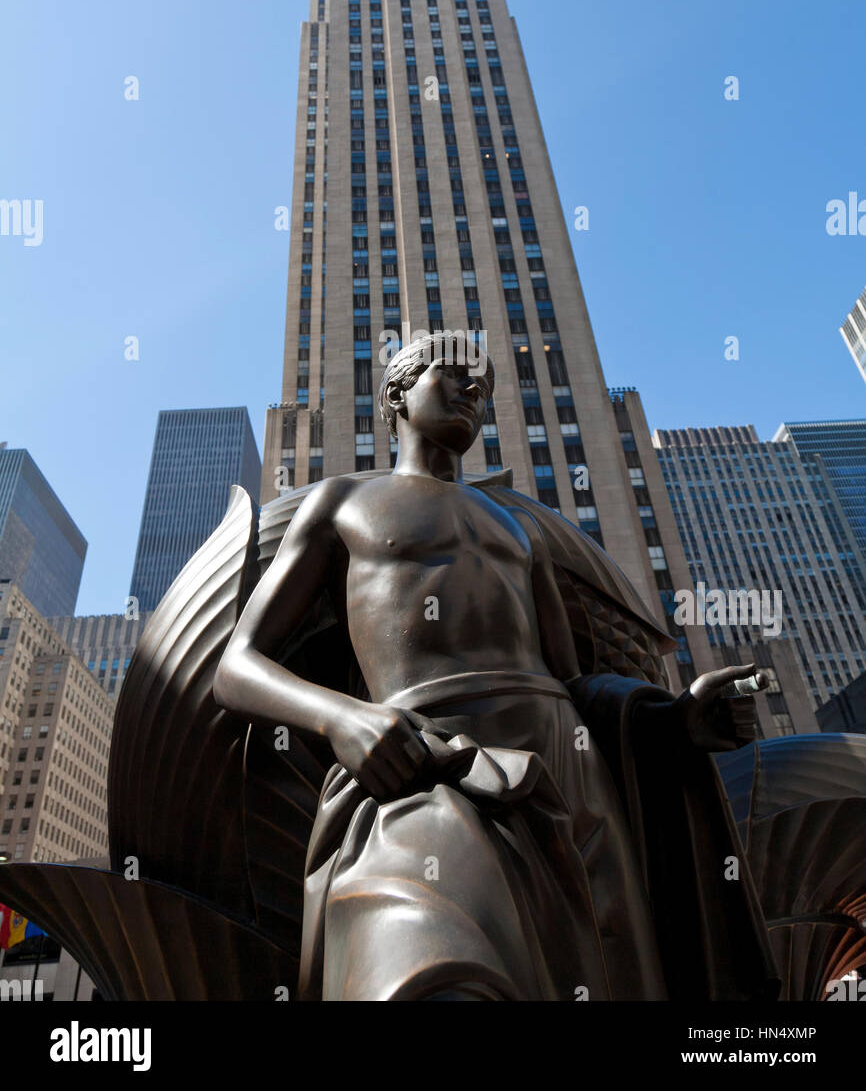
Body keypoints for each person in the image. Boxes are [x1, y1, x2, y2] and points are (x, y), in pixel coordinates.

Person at [214, 333, 775, 1001]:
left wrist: (673, 717)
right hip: (423, 768)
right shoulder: (341, 504)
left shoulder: (519, 529)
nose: (472, 393)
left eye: (482, 389)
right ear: (397, 392)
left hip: (565, 782)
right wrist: (342, 717)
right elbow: (236, 666)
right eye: (452, 377)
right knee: (426, 976)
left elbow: (575, 686)